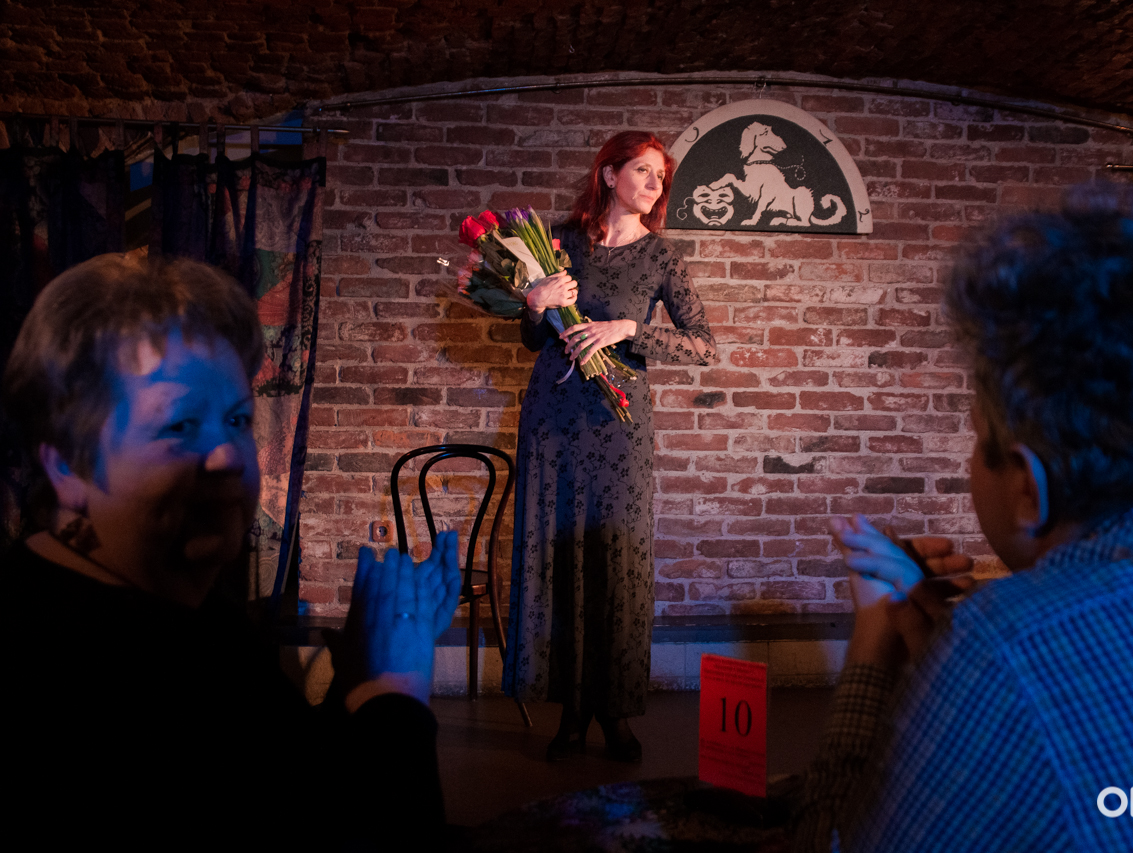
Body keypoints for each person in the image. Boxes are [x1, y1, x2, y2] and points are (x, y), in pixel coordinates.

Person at [793, 183, 1133, 851]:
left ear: (1028, 486)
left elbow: (834, 840)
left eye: (977, 434)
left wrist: (875, 648)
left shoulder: (1012, 644)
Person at [1, 254, 461, 849]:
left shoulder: (187, 612)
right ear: (66, 463)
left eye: (237, 419)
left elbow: (301, 783)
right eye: (179, 425)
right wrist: (396, 688)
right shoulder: (75, 666)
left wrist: (357, 678)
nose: (226, 457)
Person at [503, 131, 717, 762]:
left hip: (620, 426)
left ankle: (615, 712)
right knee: (561, 555)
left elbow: (704, 345)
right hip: (554, 419)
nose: (654, 185)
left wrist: (630, 328)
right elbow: (531, 339)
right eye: (644, 171)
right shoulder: (558, 244)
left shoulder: (660, 256)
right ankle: (570, 713)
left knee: (616, 559)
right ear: (608, 174)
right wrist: (534, 304)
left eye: (660, 178)